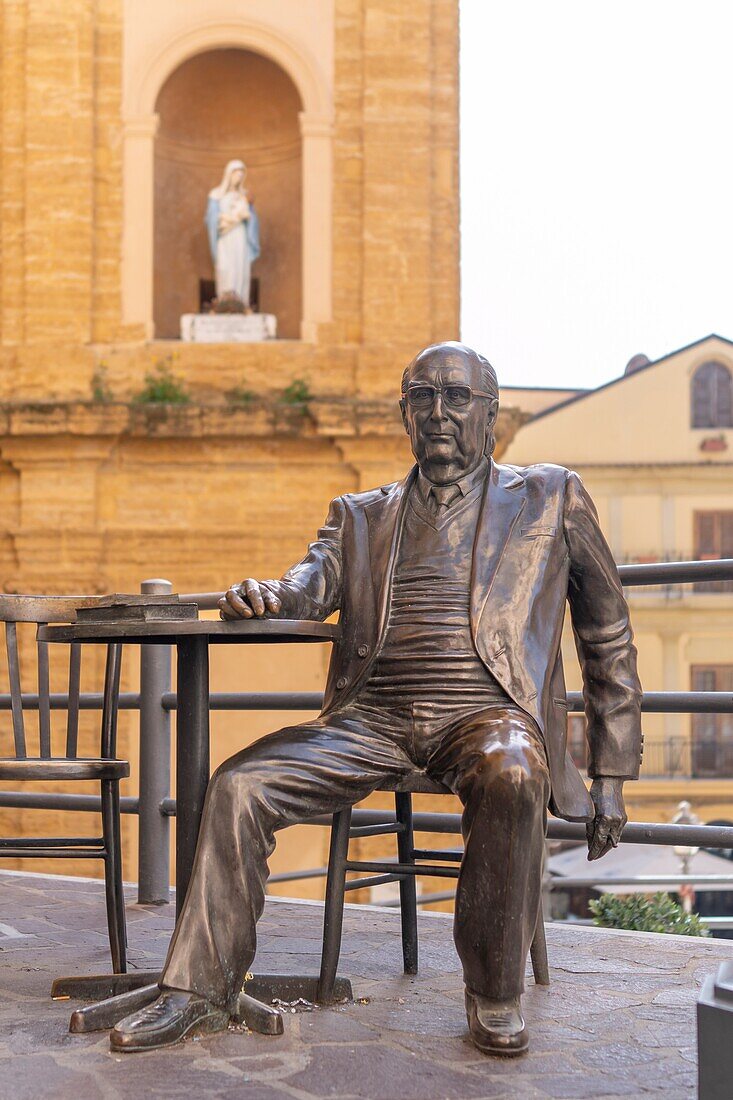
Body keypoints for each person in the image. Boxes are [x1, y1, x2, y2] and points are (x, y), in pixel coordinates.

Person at [112, 342, 642, 1056]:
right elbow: (307, 581)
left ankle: (493, 991)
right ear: (403, 415)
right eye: (423, 398)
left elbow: (606, 632)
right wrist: (265, 593)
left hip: (485, 717)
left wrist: (609, 776)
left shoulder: (550, 496)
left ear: (490, 415)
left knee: (514, 769)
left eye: (457, 398)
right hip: (370, 719)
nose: (439, 413)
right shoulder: (360, 515)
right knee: (239, 784)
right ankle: (199, 992)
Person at [205, 159, 260, 307]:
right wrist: (227, 220)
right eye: (236, 175)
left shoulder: (244, 196)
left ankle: (240, 302)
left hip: (240, 236)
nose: (239, 178)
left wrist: (247, 215)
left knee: (240, 266)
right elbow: (211, 219)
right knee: (225, 267)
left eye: (241, 176)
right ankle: (225, 301)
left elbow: (252, 220)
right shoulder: (217, 195)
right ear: (229, 175)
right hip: (225, 237)